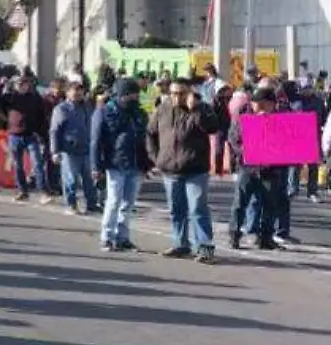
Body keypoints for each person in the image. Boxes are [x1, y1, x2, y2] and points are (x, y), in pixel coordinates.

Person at [147, 78, 221, 263]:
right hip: (170, 169)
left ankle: (204, 247)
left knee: (197, 208)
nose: (176, 97)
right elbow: (150, 132)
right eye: (173, 93)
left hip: (195, 169)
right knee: (176, 209)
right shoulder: (163, 109)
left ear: (189, 93)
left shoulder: (201, 109)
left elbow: (212, 127)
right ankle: (181, 243)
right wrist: (156, 157)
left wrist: (196, 109)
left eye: (181, 93)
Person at [90, 78, 149, 252]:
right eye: (130, 94)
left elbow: (143, 140)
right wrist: (96, 166)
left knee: (128, 203)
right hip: (115, 163)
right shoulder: (105, 112)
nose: (134, 97)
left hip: (135, 163)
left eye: (136, 94)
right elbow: (95, 141)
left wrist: (147, 164)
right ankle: (107, 236)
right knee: (114, 201)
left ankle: (123, 237)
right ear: (121, 94)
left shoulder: (139, 113)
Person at [228, 86, 289, 251]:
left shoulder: (280, 120)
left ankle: (266, 237)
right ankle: (234, 234)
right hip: (248, 167)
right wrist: (246, 152)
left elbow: (287, 142)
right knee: (240, 202)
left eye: (266, 104)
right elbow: (234, 139)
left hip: (271, 169)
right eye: (258, 104)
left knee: (270, 205)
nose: (261, 108)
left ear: (273, 104)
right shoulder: (243, 118)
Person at [0, 74, 50, 202]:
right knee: (18, 165)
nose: (22, 87)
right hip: (14, 135)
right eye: (19, 84)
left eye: (24, 84)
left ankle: (44, 191)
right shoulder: (11, 98)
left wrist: (42, 134)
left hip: (31, 135)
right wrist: (1, 85)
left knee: (37, 164)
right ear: (15, 86)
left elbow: (42, 116)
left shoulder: (35, 98)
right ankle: (22, 191)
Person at [49, 81, 95, 216]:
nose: (78, 93)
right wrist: (55, 151)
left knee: (89, 179)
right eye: (75, 90)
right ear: (68, 92)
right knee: (71, 179)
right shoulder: (61, 109)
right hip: (69, 150)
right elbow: (54, 131)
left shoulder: (87, 107)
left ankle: (92, 204)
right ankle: (71, 204)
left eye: (80, 90)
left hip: (86, 149)